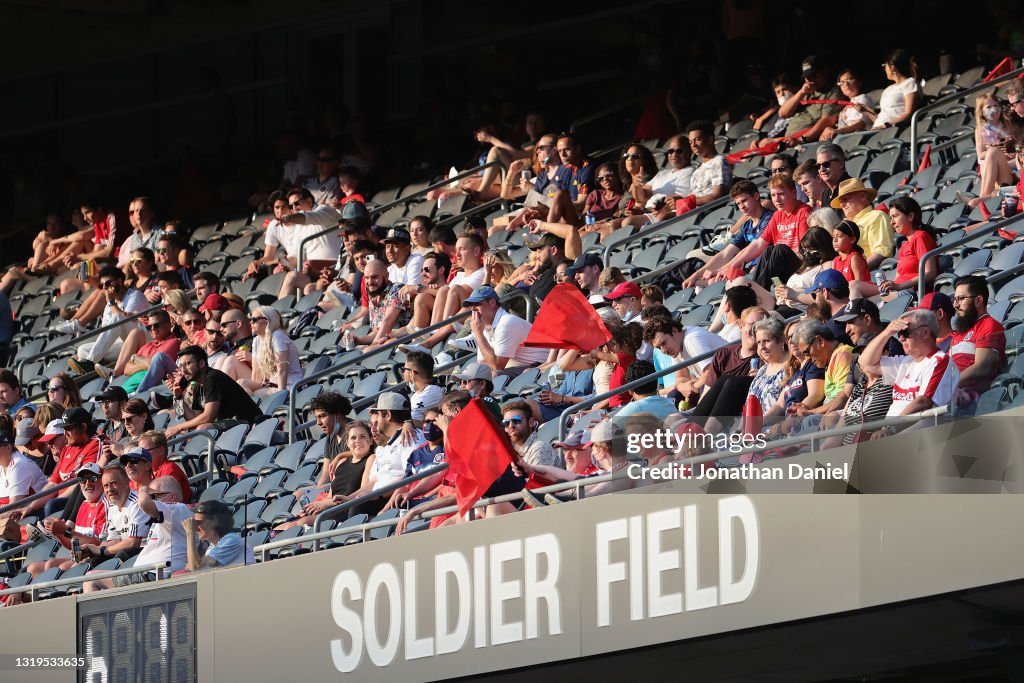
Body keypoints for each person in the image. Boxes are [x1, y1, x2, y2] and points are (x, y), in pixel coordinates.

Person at [859, 310, 959, 435]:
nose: (900, 338)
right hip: (893, 436)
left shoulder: (939, 361)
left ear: (925, 332)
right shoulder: (904, 362)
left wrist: (890, 429)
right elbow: (866, 363)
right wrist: (887, 332)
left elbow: (923, 402)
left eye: (905, 332)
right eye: (899, 333)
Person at [280, 420, 376, 530]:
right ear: (348, 443)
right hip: (330, 507)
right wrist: (313, 507)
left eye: (362, 436)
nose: (358, 441)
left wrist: (328, 504)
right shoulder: (341, 462)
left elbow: (361, 494)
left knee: (298, 524)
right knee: (281, 526)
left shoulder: (371, 459)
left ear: (371, 440)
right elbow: (330, 496)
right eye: (353, 438)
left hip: (347, 509)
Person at [684, 179, 775, 288]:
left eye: (744, 200)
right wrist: (696, 275)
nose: (741, 206)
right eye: (738, 203)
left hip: (764, 269)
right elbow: (725, 253)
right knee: (695, 282)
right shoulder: (746, 226)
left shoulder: (769, 218)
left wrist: (721, 270)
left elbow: (752, 248)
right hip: (748, 270)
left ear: (756, 196)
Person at [25, 463, 107, 578]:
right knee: (34, 568)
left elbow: (98, 544)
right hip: (80, 556)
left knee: (58, 568)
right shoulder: (83, 505)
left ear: (102, 480)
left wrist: (66, 531)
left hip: (97, 557)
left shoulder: (106, 505)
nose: (87, 483)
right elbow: (74, 544)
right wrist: (59, 533)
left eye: (93, 478)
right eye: (82, 480)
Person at [164, 346, 261, 438]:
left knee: (203, 428)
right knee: (197, 429)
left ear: (201, 364)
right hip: (233, 423)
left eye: (187, 364)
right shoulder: (197, 384)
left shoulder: (212, 378)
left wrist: (179, 427)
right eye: (181, 366)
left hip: (248, 422)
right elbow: (194, 419)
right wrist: (178, 397)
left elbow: (208, 417)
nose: (183, 370)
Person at [21, 408, 99, 519]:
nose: (65, 433)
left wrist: (56, 500)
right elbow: (53, 484)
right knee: (28, 513)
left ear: (83, 427)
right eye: (63, 429)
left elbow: (82, 482)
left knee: (51, 505)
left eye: (68, 428)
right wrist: (31, 507)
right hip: (59, 501)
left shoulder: (95, 444)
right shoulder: (67, 448)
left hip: (78, 500)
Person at [855, 196, 938, 299]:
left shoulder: (920, 236)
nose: (891, 222)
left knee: (860, 300)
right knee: (855, 286)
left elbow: (930, 273)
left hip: (909, 293)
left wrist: (899, 286)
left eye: (895, 216)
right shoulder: (904, 246)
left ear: (910, 216)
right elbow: (898, 278)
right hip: (897, 292)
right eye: (890, 218)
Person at [80, 465, 149, 589]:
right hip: (128, 550)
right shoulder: (112, 506)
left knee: (121, 554)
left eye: (113, 484)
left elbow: (133, 543)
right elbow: (114, 540)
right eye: (106, 486)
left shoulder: (136, 503)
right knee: (92, 561)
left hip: (145, 552)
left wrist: (102, 551)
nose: (109, 489)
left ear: (126, 483)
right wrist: (94, 549)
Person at [64, 266, 148, 365]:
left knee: (118, 318)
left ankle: (91, 362)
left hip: (140, 340)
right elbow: (106, 331)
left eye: (108, 283)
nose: (105, 288)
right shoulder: (109, 304)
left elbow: (126, 320)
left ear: (120, 281)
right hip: (121, 344)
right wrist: (111, 304)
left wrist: (112, 304)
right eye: (102, 285)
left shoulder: (135, 296)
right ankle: (100, 362)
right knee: (82, 350)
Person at [949, 275, 1006, 409]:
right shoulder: (959, 333)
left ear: (979, 300)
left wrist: (947, 386)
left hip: (971, 398)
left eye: (961, 299)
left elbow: (982, 368)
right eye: (955, 299)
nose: (956, 305)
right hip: (951, 394)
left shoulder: (989, 325)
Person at [462, 285, 548, 372]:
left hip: (538, 367)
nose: (473, 309)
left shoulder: (507, 322)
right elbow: (483, 363)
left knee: (493, 375)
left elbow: (497, 366)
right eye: (471, 305)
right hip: (520, 367)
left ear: (492, 302)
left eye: (477, 304)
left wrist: (477, 334)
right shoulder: (484, 326)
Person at [643, 316, 729, 403]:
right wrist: (682, 387)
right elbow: (681, 376)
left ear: (674, 331)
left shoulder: (692, 339)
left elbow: (712, 372)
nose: (663, 350)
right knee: (675, 395)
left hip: (730, 380)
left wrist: (692, 387)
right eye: (658, 347)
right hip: (718, 382)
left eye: (663, 343)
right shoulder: (676, 345)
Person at [790, 320, 854, 416]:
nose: (808, 358)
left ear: (820, 341)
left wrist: (810, 412)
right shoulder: (829, 361)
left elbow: (843, 398)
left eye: (807, 352)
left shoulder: (842, 355)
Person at [831, 178, 894, 269]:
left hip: (869, 274)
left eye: (845, 199)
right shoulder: (846, 224)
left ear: (862, 196)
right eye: (841, 202)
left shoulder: (876, 216)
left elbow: (882, 252)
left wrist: (856, 270)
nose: (842, 205)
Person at [238, 307, 302, 396]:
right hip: (270, 385)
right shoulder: (257, 340)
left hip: (288, 386)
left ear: (267, 321)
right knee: (241, 384)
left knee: (249, 395)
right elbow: (256, 373)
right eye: (250, 319)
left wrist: (281, 395)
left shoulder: (277, 336)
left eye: (255, 319)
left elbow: (282, 370)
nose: (251, 322)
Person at [862, 49, 921, 130]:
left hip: (892, 130)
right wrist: (866, 111)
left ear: (892, 68)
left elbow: (909, 113)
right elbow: (882, 117)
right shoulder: (888, 89)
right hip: (877, 129)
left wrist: (886, 125)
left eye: (884, 66)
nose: (884, 69)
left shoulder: (910, 83)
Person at [819, 68, 875, 141]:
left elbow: (860, 124)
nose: (846, 84)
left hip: (859, 138)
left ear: (859, 82)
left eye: (849, 79)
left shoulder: (862, 98)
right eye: (842, 82)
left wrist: (837, 131)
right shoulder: (844, 109)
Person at [685, 120, 731, 207]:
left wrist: (686, 201)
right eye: (690, 142)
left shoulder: (719, 162)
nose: (693, 145)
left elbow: (717, 196)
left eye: (697, 140)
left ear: (710, 139)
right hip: (693, 214)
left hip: (707, 213)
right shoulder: (697, 171)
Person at [501, 400, 561, 467]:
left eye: (516, 420)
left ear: (531, 422)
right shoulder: (513, 450)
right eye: (506, 422)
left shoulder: (539, 448)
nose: (511, 425)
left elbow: (536, 477)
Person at [137, 431, 192, 504]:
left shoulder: (170, 469)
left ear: (161, 450)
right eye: (139, 452)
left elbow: (166, 503)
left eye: (145, 451)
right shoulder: (148, 471)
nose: (141, 456)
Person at [0, 430, 47, 507]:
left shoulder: (19, 465)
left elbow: (13, 508)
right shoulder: (2, 465)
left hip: (36, 513)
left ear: (8, 448)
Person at [403, 351, 444, 424]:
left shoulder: (432, 391)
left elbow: (416, 422)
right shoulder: (415, 396)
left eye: (405, 369)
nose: (403, 373)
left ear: (412, 373)